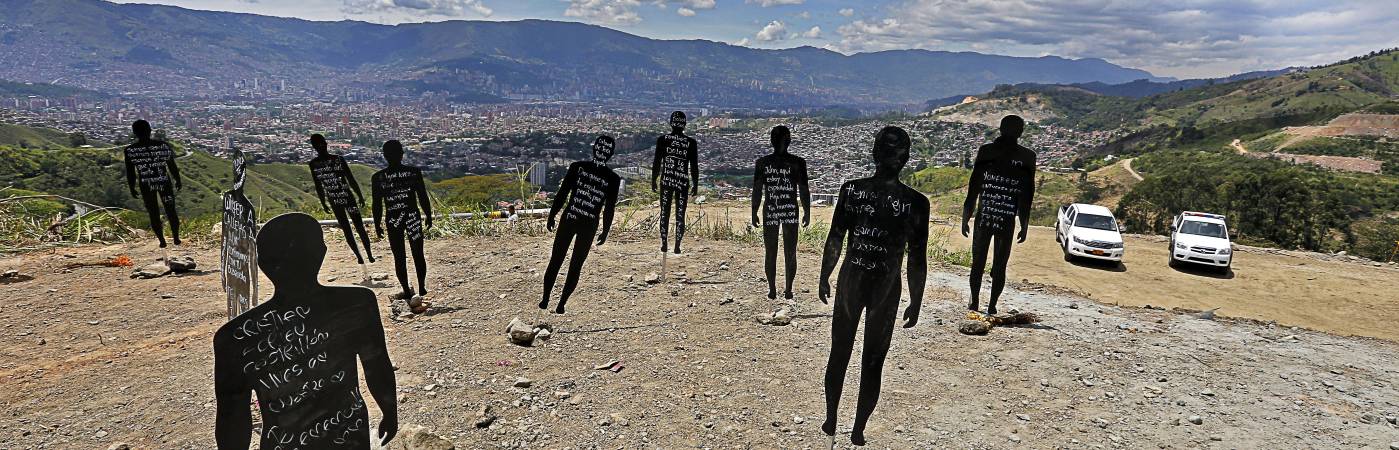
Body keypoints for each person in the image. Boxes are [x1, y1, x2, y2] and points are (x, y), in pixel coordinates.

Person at [213, 213, 397, 450]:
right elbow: (377, 366)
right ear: (320, 253)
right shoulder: (357, 304)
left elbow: (232, 416)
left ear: (263, 264)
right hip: (349, 434)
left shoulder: (234, 337)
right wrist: (389, 411)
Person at [817, 126, 928, 447]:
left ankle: (832, 419)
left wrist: (826, 274)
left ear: (874, 153)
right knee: (873, 361)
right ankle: (857, 429)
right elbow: (916, 260)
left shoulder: (852, 190)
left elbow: (836, 237)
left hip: (852, 279)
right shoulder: (915, 203)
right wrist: (915, 299)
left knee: (840, 352)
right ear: (905, 158)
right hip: (885, 287)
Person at [962, 115, 1037, 315]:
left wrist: (966, 216)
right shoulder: (1027, 157)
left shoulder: (987, 151)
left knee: (977, 263)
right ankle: (991, 305)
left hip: (985, 217)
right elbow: (1026, 196)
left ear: (1001, 128)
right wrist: (1024, 223)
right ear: (1021, 132)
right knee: (1000, 265)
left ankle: (975, 301)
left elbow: (973, 188)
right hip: (1006, 219)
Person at [540, 136, 621, 314]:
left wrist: (606, 230)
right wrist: (552, 214)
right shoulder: (588, 171)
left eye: (605, 149)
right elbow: (563, 193)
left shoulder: (583, 169)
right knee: (561, 260)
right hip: (580, 221)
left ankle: (559, 303)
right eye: (601, 148)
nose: (602, 151)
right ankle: (547, 299)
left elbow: (609, 208)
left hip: (576, 220)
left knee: (571, 263)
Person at [751, 125, 811, 300]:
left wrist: (754, 211)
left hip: (770, 209)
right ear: (789, 140)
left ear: (771, 141)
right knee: (789, 251)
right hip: (790, 209)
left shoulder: (763, 163)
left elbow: (757, 190)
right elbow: (804, 190)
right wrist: (807, 211)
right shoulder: (798, 163)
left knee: (771, 251)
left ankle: (773, 289)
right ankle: (788, 289)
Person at [371, 140, 432, 304]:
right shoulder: (413, 173)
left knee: (399, 256)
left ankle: (406, 289)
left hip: (393, 219)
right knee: (418, 253)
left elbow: (377, 204)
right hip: (412, 216)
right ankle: (421, 287)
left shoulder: (378, 177)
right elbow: (422, 197)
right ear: (402, 154)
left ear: (384, 156)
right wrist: (428, 214)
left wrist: (377, 224)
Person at [308, 134, 375, 265]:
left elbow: (319, 186)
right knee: (358, 226)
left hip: (334, 199)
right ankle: (368, 254)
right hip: (347, 197)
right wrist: (359, 195)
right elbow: (350, 180)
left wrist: (323, 202)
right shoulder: (338, 159)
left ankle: (362, 256)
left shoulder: (314, 164)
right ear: (326, 144)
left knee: (348, 228)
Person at [123, 119, 182, 248]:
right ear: (150, 130)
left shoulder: (130, 151)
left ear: (134, 133)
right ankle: (176, 238)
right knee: (171, 210)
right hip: (164, 182)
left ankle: (162, 240)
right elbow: (172, 165)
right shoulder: (162, 145)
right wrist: (177, 179)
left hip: (146, 184)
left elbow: (131, 173)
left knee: (153, 212)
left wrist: (132, 187)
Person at [650, 111, 699, 254]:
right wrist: (695, 183)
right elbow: (694, 166)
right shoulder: (690, 143)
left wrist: (654, 179)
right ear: (684, 124)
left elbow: (657, 163)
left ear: (670, 123)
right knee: (680, 214)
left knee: (664, 212)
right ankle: (677, 245)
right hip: (682, 182)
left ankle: (664, 243)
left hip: (666, 180)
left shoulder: (663, 140)